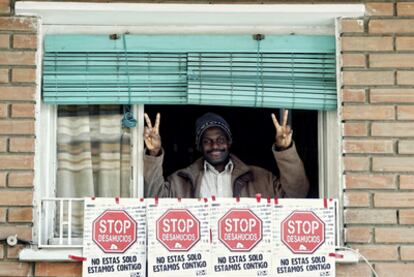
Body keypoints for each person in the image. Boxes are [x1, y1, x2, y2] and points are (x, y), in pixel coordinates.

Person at [143, 111, 309, 198]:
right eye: (207, 141)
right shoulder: (181, 180)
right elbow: (154, 198)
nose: (215, 145)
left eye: (220, 139)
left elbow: (297, 194)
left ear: (229, 142)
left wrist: (284, 150)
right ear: (200, 146)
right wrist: (154, 152)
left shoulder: (261, 178)